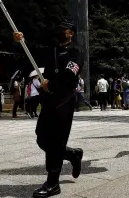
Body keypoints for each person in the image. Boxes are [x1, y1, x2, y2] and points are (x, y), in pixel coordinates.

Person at [14, 19, 84, 198]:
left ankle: (53, 183)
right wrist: (21, 40)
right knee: (42, 138)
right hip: (49, 99)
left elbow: (69, 75)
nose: (59, 32)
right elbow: (31, 54)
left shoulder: (75, 53)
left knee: (56, 140)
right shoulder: (51, 50)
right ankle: (72, 154)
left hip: (64, 99)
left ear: (71, 33)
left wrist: (50, 83)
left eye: (63, 29)